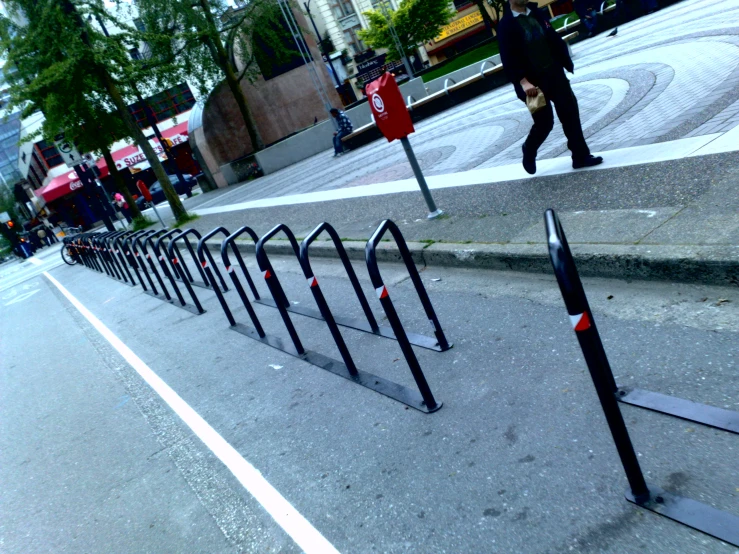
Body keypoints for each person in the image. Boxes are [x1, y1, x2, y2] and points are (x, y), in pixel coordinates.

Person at [498, 0, 603, 175]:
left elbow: (551, 37)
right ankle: (529, 148)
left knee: (570, 114)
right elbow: (508, 57)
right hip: (531, 85)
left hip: (554, 73)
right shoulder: (506, 24)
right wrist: (523, 82)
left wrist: (564, 61)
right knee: (544, 123)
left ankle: (580, 156)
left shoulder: (537, 13)